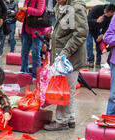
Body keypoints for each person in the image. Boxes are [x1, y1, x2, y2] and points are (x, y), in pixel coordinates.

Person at [44, 0, 88, 131]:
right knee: (69, 89)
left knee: (65, 90)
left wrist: (65, 52)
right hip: (62, 54)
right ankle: (70, 119)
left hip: (69, 57)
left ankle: (62, 121)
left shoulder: (76, 7)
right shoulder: (61, 5)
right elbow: (65, 30)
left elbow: (80, 34)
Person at [18, 0, 51, 79]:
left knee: (36, 53)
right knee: (24, 52)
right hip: (27, 29)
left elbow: (39, 12)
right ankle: (24, 72)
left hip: (38, 31)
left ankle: (35, 75)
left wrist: (26, 9)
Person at [86, 3, 115, 67]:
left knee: (99, 43)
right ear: (105, 10)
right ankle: (90, 61)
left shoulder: (110, 15)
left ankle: (98, 62)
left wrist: (102, 34)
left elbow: (106, 26)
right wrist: (96, 20)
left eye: (110, 15)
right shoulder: (96, 8)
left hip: (97, 29)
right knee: (89, 43)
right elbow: (87, 20)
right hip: (89, 28)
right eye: (107, 14)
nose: (107, 16)